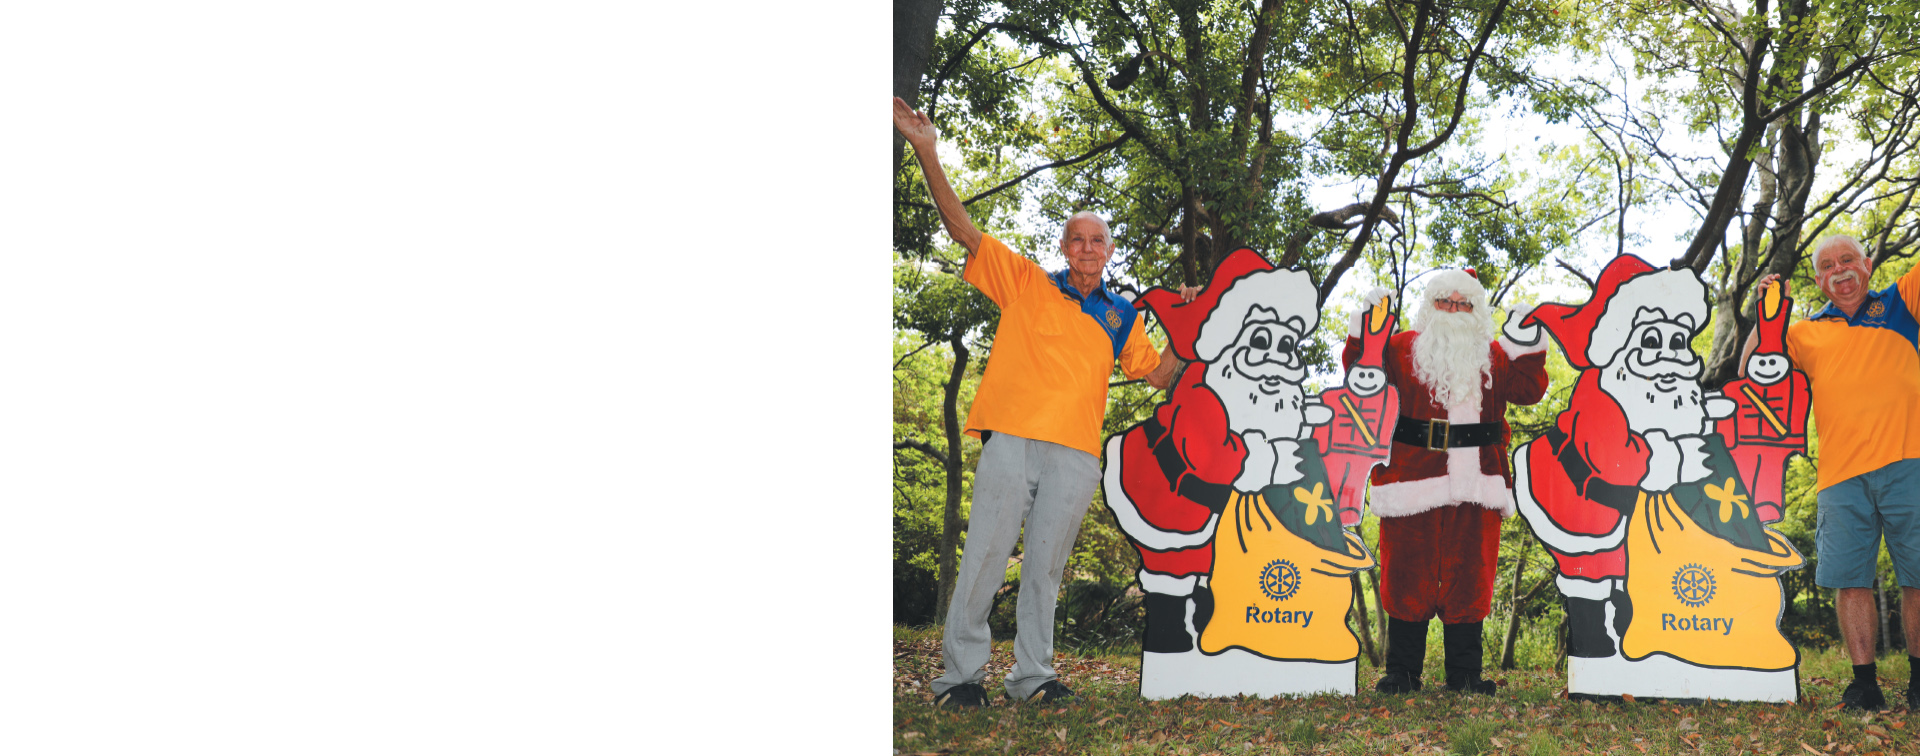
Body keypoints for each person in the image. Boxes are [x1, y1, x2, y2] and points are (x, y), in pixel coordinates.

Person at [894, 97, 1181, 708]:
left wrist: (1191, 325)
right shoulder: (1025, 282)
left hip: (1075, 454)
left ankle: (1033, 678)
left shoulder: (1122, 316)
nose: (1086, 248)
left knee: (1046, 567)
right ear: (1065, 247)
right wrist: (926, 150)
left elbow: (1160, 375)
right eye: (1077, 239)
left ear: (1109, 251)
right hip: (1012, 438)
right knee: (985, 556)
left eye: (1097, 240)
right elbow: (962, 230)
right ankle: (959, 679)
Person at [1352, 269, 1548, 695]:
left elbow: (1530, 390)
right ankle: (1402, 673)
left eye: (1464, 304)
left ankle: (1465, 676)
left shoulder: (1495, 357)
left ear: (1477, 311)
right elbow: (1361, 375)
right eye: (1446, 302)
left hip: (1477, 484)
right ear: (1431, 306)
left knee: (1470, 578)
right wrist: (1368, 330)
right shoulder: (1401, 348)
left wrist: (1526, 340)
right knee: (1406, 576)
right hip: (1411, 481)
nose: (1454, 311)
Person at [1747, 235, 1920, 710]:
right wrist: (1766, 316)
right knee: (1851, 581)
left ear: (1867, 264)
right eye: (1827, 265)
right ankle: (1864, 685)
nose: (1839, 270)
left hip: (1910, 462)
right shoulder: (1804, 332)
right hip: (1841, 477)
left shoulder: (1902, 302)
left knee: (1917, 577)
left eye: (1848, 260)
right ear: (1818, 279)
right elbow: (1753, 370)